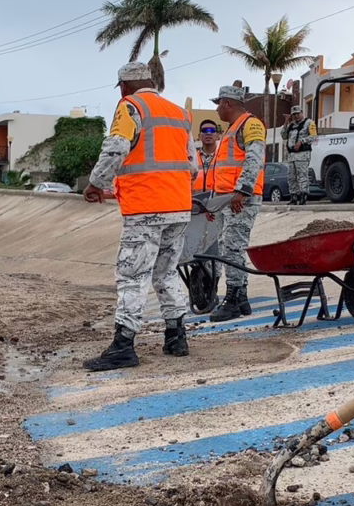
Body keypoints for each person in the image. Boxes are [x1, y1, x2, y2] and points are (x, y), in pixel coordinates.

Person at [81, 62, 198, 371]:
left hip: (146, 207)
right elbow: (193, 165)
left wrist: (97, 183)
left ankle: (123, 345)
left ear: (123, 86)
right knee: (167, 272)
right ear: (150, 81)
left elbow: (117, 146)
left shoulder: (130, 106)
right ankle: (176, 337)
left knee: (133, 276)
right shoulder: (178, 113)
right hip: (178, 206)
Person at [208, 83, 266, 322]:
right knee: (230, 248)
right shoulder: (231, 129)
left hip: (240, 199)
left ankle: (233, 298)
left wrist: (242, 190)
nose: (217, 110)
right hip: (228, 199)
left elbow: (254, 158)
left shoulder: (250, 125)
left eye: (218, 104)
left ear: (228, 103)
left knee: (232, 248)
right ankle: (240, 298)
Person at [281, 106, 317, 205]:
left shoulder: (309, 123)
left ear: (302, 112)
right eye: (294, 114)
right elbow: (283, 136)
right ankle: (293, 196)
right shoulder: (291, 125)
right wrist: (286, 122)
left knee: (302, 176)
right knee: (291, 177)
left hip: (302, 154)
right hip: (292, 155)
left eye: (297, 114)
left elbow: (314, 136)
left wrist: (302, 141)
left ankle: (303, 195)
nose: (296, 116)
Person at [195, 119, 220, 193]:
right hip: (195, 201)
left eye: (212, 131)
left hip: (217, 202)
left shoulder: (223, 158)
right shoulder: (192, 159)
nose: (208, 133)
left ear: (217, 136)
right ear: (199, 136)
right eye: (204, 131)